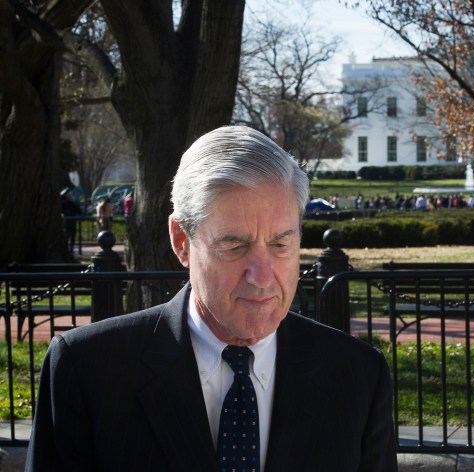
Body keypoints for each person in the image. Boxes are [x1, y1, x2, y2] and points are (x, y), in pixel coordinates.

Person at [26, 126, 397, 471]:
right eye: (234, 245)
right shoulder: (87, 370)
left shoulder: (359, 376)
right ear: (181, 241)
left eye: (281, 244)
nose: (263, 276)